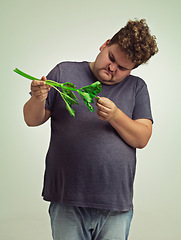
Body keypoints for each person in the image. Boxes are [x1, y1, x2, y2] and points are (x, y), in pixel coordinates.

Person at [23, 19, 158, 240]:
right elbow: (31, 119)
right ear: (105, 44)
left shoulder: (137, 87)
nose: (112, 68)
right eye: (112, 58)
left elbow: (142, 138)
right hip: (67, 200)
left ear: (132, 69)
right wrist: (38, 99)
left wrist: (116, 116)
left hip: (116, 204)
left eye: (123, 68)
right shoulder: (63, 71)